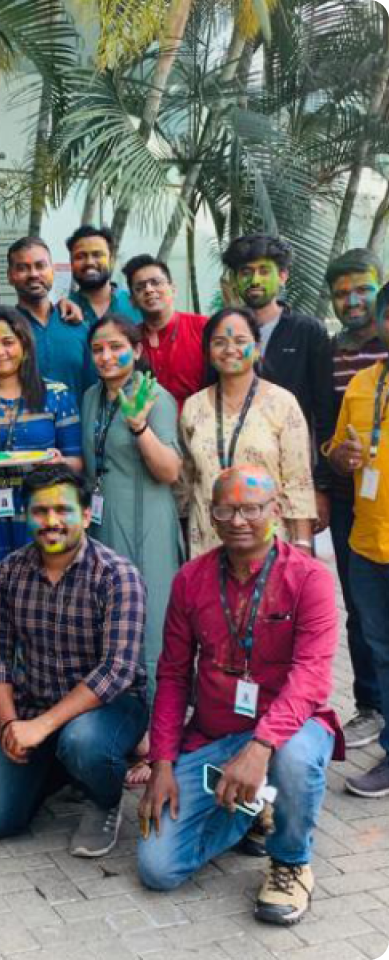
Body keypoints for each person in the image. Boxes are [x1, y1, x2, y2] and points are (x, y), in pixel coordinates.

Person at [137, 465, 341, 927]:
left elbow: (311, 678)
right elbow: (171, 675)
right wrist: (163, 763)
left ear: (276, 511)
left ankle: (290, 861)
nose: (238, 520)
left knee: (295, 760)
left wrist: (261, 747)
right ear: (210, 513)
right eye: (226, 509)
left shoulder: (309, 579)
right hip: (213, 733)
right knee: (158, 868)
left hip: (287, 732)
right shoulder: (190, 580)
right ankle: (249, 810)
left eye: (252, 508)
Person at [0, 464, 147, 857]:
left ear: (86, 515)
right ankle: (65, 769)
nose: (51, 521)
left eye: (63, 510)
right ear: (26, 516)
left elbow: (116, 670)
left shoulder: (118, 575)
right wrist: (9, 727)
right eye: (39, 511)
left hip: (110, 710)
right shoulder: (10, 571)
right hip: (35, 709)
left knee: (82, 741)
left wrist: (41, 727)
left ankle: (104, 798)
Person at [0, 307, 83, 693]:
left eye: (8, 341)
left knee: (42, 610)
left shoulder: (56, 395)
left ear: (24, 345)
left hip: (39, 519)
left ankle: (44, 702)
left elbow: (75, 462)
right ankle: (3, 718)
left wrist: (59, 462)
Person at [82, 315, 182, 784]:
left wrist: (141, 428)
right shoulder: (90, 398)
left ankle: (156, 740)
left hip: (148, 528)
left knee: (151, 627)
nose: (106, 357)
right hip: (102, 527)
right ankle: (122, 721)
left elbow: (169, 471)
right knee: (110, 625)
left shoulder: (154, 397)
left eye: (116, 347)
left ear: (137, 350)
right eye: (98, 348)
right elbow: (92, 461)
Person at [319, 249, 387, 750]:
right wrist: (334, 459)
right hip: (354, 509)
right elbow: (328, 431)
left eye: (363, 289)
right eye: (342, 293)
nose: (353, 300)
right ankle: (372, 707)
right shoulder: (334, 357)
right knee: (365, 615)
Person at [180, 307, 316, 558]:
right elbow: (186, 481)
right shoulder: (193, 407)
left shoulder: (282, 403)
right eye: (219, 342)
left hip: (267, 542)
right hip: (208, 541)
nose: (230, 349)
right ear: (208, 351)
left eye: (240, 341)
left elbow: (299, 482)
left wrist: (303, 545)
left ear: (256, 347)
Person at [221, 234, 332, 506]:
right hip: (234, 472)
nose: (254, 280)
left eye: (263, 271)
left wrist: (321, 486)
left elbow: (324, 409)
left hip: (291, 473)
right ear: (235, 279)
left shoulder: (307, 331)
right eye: (245, 272)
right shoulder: (225, 331)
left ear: (283, 276)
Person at [8, 236, 94, 402]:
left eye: (40, 266)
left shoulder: (78, 327)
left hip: (76, 426)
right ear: (10, 276)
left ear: (52, 271)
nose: (33, 274)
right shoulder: (5, 330)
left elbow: (94, 391)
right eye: (23, 268)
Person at [122, 254, 207, 410]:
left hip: (197, 428)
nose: (149, 290)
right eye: (140, 287)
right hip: (144, 430)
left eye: (156, 282)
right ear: (132, 300)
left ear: (173, 289)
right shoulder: (129, 341)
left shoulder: (203, 328)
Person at [66, 225, 142, 330]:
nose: (89, 262)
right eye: (80, 256)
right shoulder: (63, 312)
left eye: (97, 255)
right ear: (71, 263)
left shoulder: (136, 304)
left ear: (111, 260)